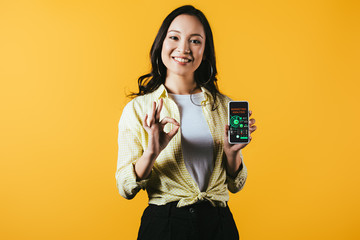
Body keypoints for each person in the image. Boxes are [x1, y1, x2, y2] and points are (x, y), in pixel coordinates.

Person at [115, 5, 257, 240]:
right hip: (165, 225)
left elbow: (236, 185)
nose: (183, 48)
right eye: (174, 37)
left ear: (205, 50)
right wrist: (151, 152)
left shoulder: (223, 106)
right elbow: (124, 187)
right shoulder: (138, 109)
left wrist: (232, 154)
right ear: (162, 42)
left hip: (218, 225)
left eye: (195, 41)